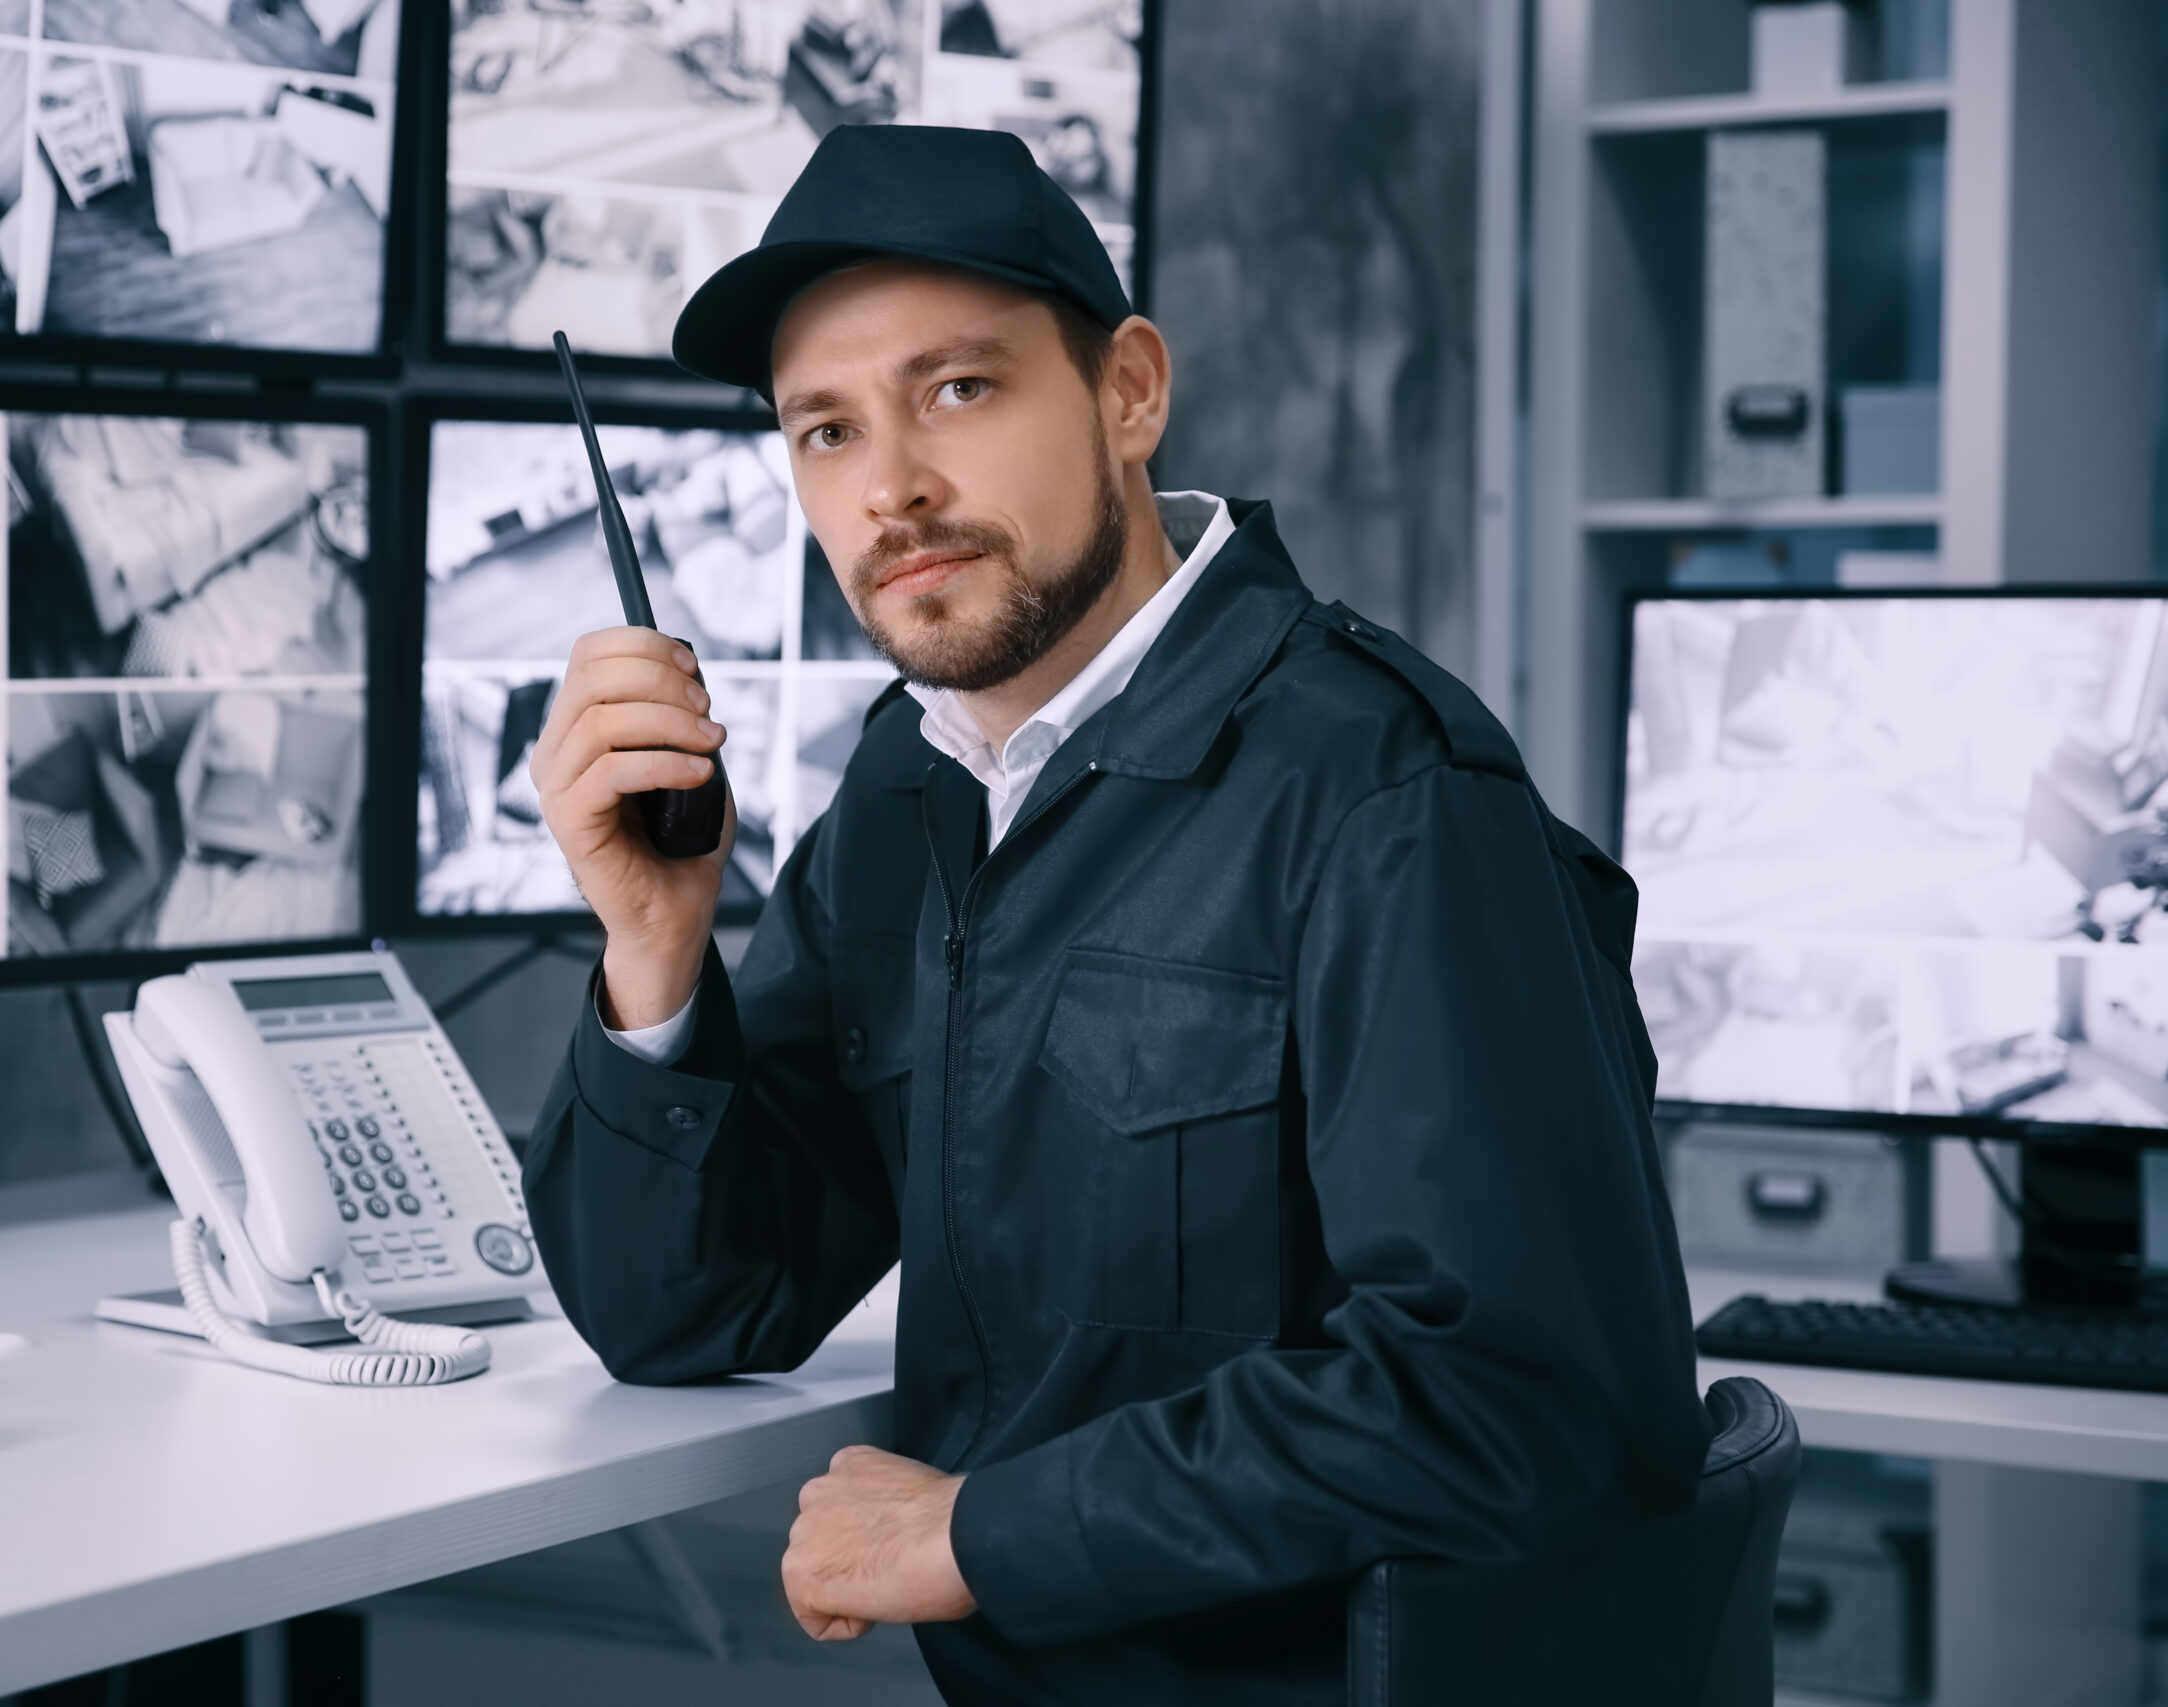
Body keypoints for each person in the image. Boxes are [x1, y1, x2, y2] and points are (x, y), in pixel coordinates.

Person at [525, 124, 1704, 1704]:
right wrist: (658, 946)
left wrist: (983, 1532)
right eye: (823, 429)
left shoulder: (1385, 796)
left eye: (959, 388)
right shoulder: (915, 785)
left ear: (1128, 392)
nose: (892, 488)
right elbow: (698, 1307)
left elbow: (1526, 1396)